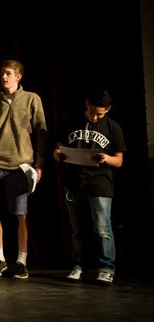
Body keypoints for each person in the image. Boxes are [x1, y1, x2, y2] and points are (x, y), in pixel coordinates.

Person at [0, 60, 47, 279]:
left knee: (21, 214)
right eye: (2, 74)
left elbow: (41, 132)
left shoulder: (32, 99)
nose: (4, 77)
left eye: (8, 74)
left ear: (18, 76)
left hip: (21, 165)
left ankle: (21, 261)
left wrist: (38, 164)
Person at [54, 88, 125, 285]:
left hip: (100, 182)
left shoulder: (113, 127)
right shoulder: (70, 123)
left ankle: (105, 268)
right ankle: (78, 266)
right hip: (74, 182)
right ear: (87, 104)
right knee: (78, 228)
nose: (95, 117)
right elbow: (58, 148)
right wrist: (57, 154)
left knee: (102, 227)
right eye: (93, 111)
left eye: (100, 114)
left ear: (108, 110)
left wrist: (106, 158)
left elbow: (119, 161)